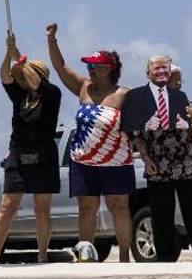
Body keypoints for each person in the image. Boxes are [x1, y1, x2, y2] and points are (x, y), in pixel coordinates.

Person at [46, 22, 134, 262]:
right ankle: (86, 255)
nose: (91, 69)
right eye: (89, 66)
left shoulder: (124, 95)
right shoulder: (83, 88)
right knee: (86, 208)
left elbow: (137, 128)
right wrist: (52, 40)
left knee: (119, 206)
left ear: (110, 69)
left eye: (96, 66)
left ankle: (124, 257)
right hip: (84, 160)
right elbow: (61, 67)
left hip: (116, 161)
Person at [123, 56, 192, 263]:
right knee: (161, 216)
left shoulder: (187, 104)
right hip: (159, 168)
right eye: (174, 80)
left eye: (180, 80)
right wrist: (145, 159)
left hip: (187, 167)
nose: (178, 84)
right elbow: (138, 137)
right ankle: (164, 258)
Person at [0, 31, 62, 264]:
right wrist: (8, 53)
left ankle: (42, 255)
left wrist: (19, 58)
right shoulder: (19, 96)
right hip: (18, 154)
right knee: (8, 205)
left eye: (25, 74)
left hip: (44, 155)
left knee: (42, 208)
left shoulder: (52, 94)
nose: (22, 79)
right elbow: (4, 76)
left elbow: (35, 81)